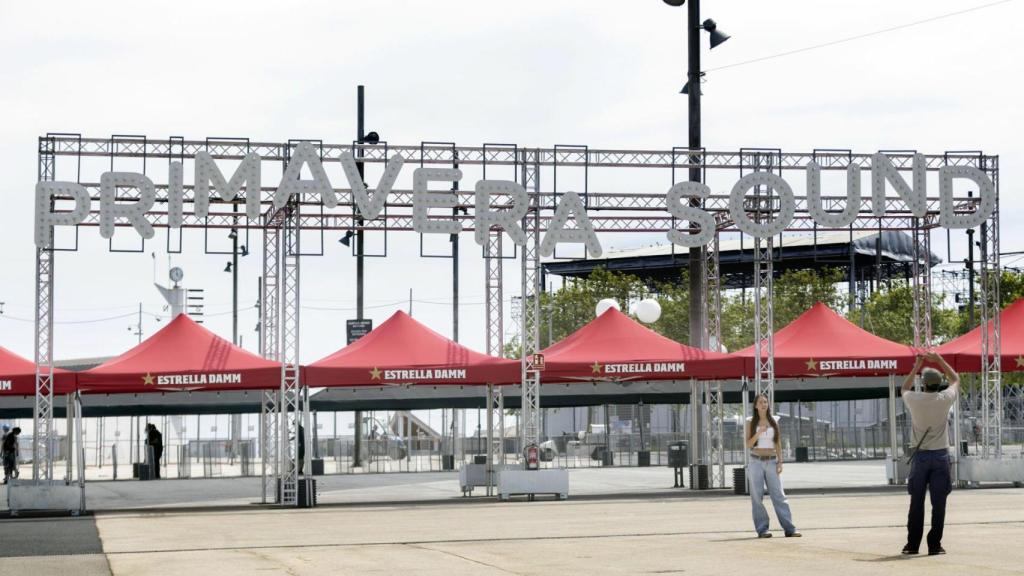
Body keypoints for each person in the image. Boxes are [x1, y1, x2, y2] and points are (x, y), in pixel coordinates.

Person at [900, 350, 959, 556]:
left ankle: (912, 545)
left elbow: (905, 387)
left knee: (916, 502)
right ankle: (934, 544)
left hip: (921, 456)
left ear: (923, 384)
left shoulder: (914, 399)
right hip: (941, 456)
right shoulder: (944, 399)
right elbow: (956, 379)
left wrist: (917, 365)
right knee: (939, 503)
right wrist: (940, 360)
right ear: (938, 383)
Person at [745, 394, 800, 538]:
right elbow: (748, 444)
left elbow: (777, 442)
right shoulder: (750, 421)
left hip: (772, 461)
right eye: (760, 402)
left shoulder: (774, 420)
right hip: (755, 461)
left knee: (779, 495)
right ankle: (762, 529)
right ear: (756, 406)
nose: (764, 404)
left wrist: (780, 461)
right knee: (757, 497)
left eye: (765, 402)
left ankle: (790, 528)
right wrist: (759, 433)